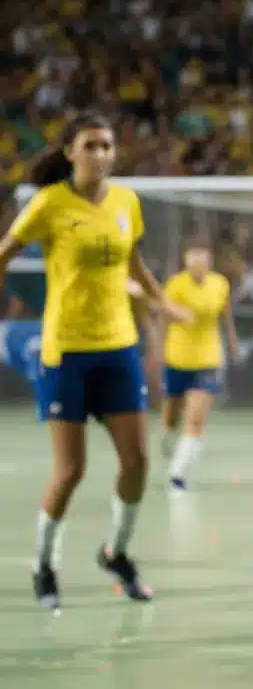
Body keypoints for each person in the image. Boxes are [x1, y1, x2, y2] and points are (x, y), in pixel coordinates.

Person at [0, 112, 185, 611]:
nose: (102, 154)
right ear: (70, 152)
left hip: (118, 347)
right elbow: (5, 251)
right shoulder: (49, 204)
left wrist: (160, 301)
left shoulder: (127, 202)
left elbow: (134, 262)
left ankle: (117, 553)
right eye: (91, 145)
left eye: (107, 145)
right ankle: (44, 563)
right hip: (66, 352)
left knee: (138, 461)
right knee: (71, 470)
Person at [160, 245, 240, 492]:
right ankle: (170, 441)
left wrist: (232, 343)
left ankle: (177, 474)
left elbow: (225, 316)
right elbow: (164, 314)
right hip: (177, 358)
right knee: (171, 417)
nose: (198, 261)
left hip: (207, 359)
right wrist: (177, 316)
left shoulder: (219, 284)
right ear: (186, 260)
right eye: (193, 256)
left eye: (203, 256)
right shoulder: (175, 284)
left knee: (195, 420)